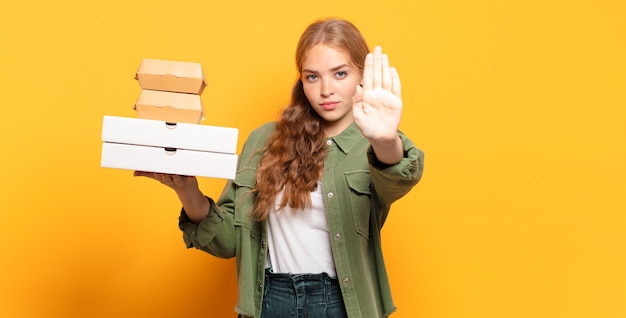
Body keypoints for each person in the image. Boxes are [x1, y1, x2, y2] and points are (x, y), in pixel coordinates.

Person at [135, 17, 424, 318]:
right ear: (301, 80)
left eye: (340, 73)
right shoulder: (265, 140)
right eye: (313, 77)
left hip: (342, 304)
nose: (326, 89)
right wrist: (188, 191)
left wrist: (386, 139)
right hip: (270, 301)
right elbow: (229, 242)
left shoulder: (375, 145)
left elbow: (398, 178)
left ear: (361, 74)